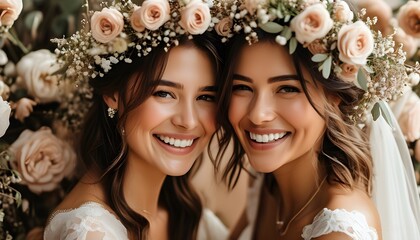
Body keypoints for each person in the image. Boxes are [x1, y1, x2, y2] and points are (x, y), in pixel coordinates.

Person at [212, 0, 420, 239]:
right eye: (242, 87)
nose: (258, 114)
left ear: (335, 96)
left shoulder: (339, 232)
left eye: (287, 89)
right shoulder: (269, 183)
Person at [44, 0, 228, 239]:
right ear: (113, 94)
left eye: (205, 96)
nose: (189, 121)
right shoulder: (93, 233)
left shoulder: (181, 211)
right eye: (164, 93)